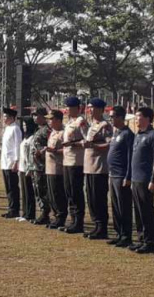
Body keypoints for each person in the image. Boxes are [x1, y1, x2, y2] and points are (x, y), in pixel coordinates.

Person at [129, 107, 154, 254]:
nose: (136, 119)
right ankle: (141, 238)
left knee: (146, 210)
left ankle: (150, 241)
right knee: (138, 210)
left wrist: (153, 180)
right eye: (135, 117)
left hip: (145, 179)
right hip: (135, 178)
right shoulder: (138, 134)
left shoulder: (153, 135)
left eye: (139, 117)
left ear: (148, 118)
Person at [83, 98, 113, 240]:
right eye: (89, 108)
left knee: (98, 198)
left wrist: (93, 146)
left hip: (99, 167)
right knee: (91, 198)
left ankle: (102, 227)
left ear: (101, 109)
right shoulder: (92, 125)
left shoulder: (105, 125)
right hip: (89, 167)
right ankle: (96, 224)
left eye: (93, 108)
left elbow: (108, 145)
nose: (90, 110)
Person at [107, 106, 135, 248]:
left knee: (124, 206)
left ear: (119, 117)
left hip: (121, 175)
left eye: (112, 116)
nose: (110, 119)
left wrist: (128, 176)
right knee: (115, 206)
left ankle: (126, 235)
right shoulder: (115, 133)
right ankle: (119, 233)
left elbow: (130, 157)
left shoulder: (127, 134)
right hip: (112, 174)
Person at [60, 96, 88, 234]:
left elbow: (86, 140)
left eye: (69, 107)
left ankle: (78, 222)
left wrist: (72, 143)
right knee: (69, 191)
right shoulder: (70, 122)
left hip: (77, 161)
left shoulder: (81, 122)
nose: (67, 110)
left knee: (76, 192)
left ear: (77, 108)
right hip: (67, 160)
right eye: (66, 107)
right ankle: (72, 220)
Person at [45, 110, 67, 229]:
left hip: (58, 168)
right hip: (50, 167)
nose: (49, 121)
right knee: (51, 194)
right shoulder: (53, 132)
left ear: (58, 120)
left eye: (51, 119)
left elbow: (67, 150)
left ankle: (61, 217)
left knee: (58, 193)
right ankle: (55, 215)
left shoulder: (63, 133)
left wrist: (54, 151)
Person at [30, 107, 51, 225]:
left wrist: (41, 152)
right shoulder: (39, 129)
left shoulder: (47, 130)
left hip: (43, 166)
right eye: (33, 115)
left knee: (43, 190)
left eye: (36, 115)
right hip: (36, 165)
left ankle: (45, 213)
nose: (34, 118)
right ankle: (43, 211)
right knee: (38, 189)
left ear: (43, 116)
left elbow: (51, 144)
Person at [0, 107, 22, 219]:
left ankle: (15, 209)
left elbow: (17, 146)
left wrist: (16, 161)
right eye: (4, 117)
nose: (4, 119)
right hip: (5, 162)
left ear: (12, 118)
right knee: (8, 187)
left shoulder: (15, 129)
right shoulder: (7, 128)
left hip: (11, 162)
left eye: (6, 117)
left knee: (13, 187)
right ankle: (10, 207)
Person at [18, 117, 37, 222]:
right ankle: (24, 213)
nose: (24, 127)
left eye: (26, 125)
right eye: (23, 125)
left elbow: (30, 155)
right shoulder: (25, 138)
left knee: (29, 192)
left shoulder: (32, 138)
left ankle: (30, 214)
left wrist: (30, 168)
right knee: (24, 191)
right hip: (21, 167)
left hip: (28, 168)